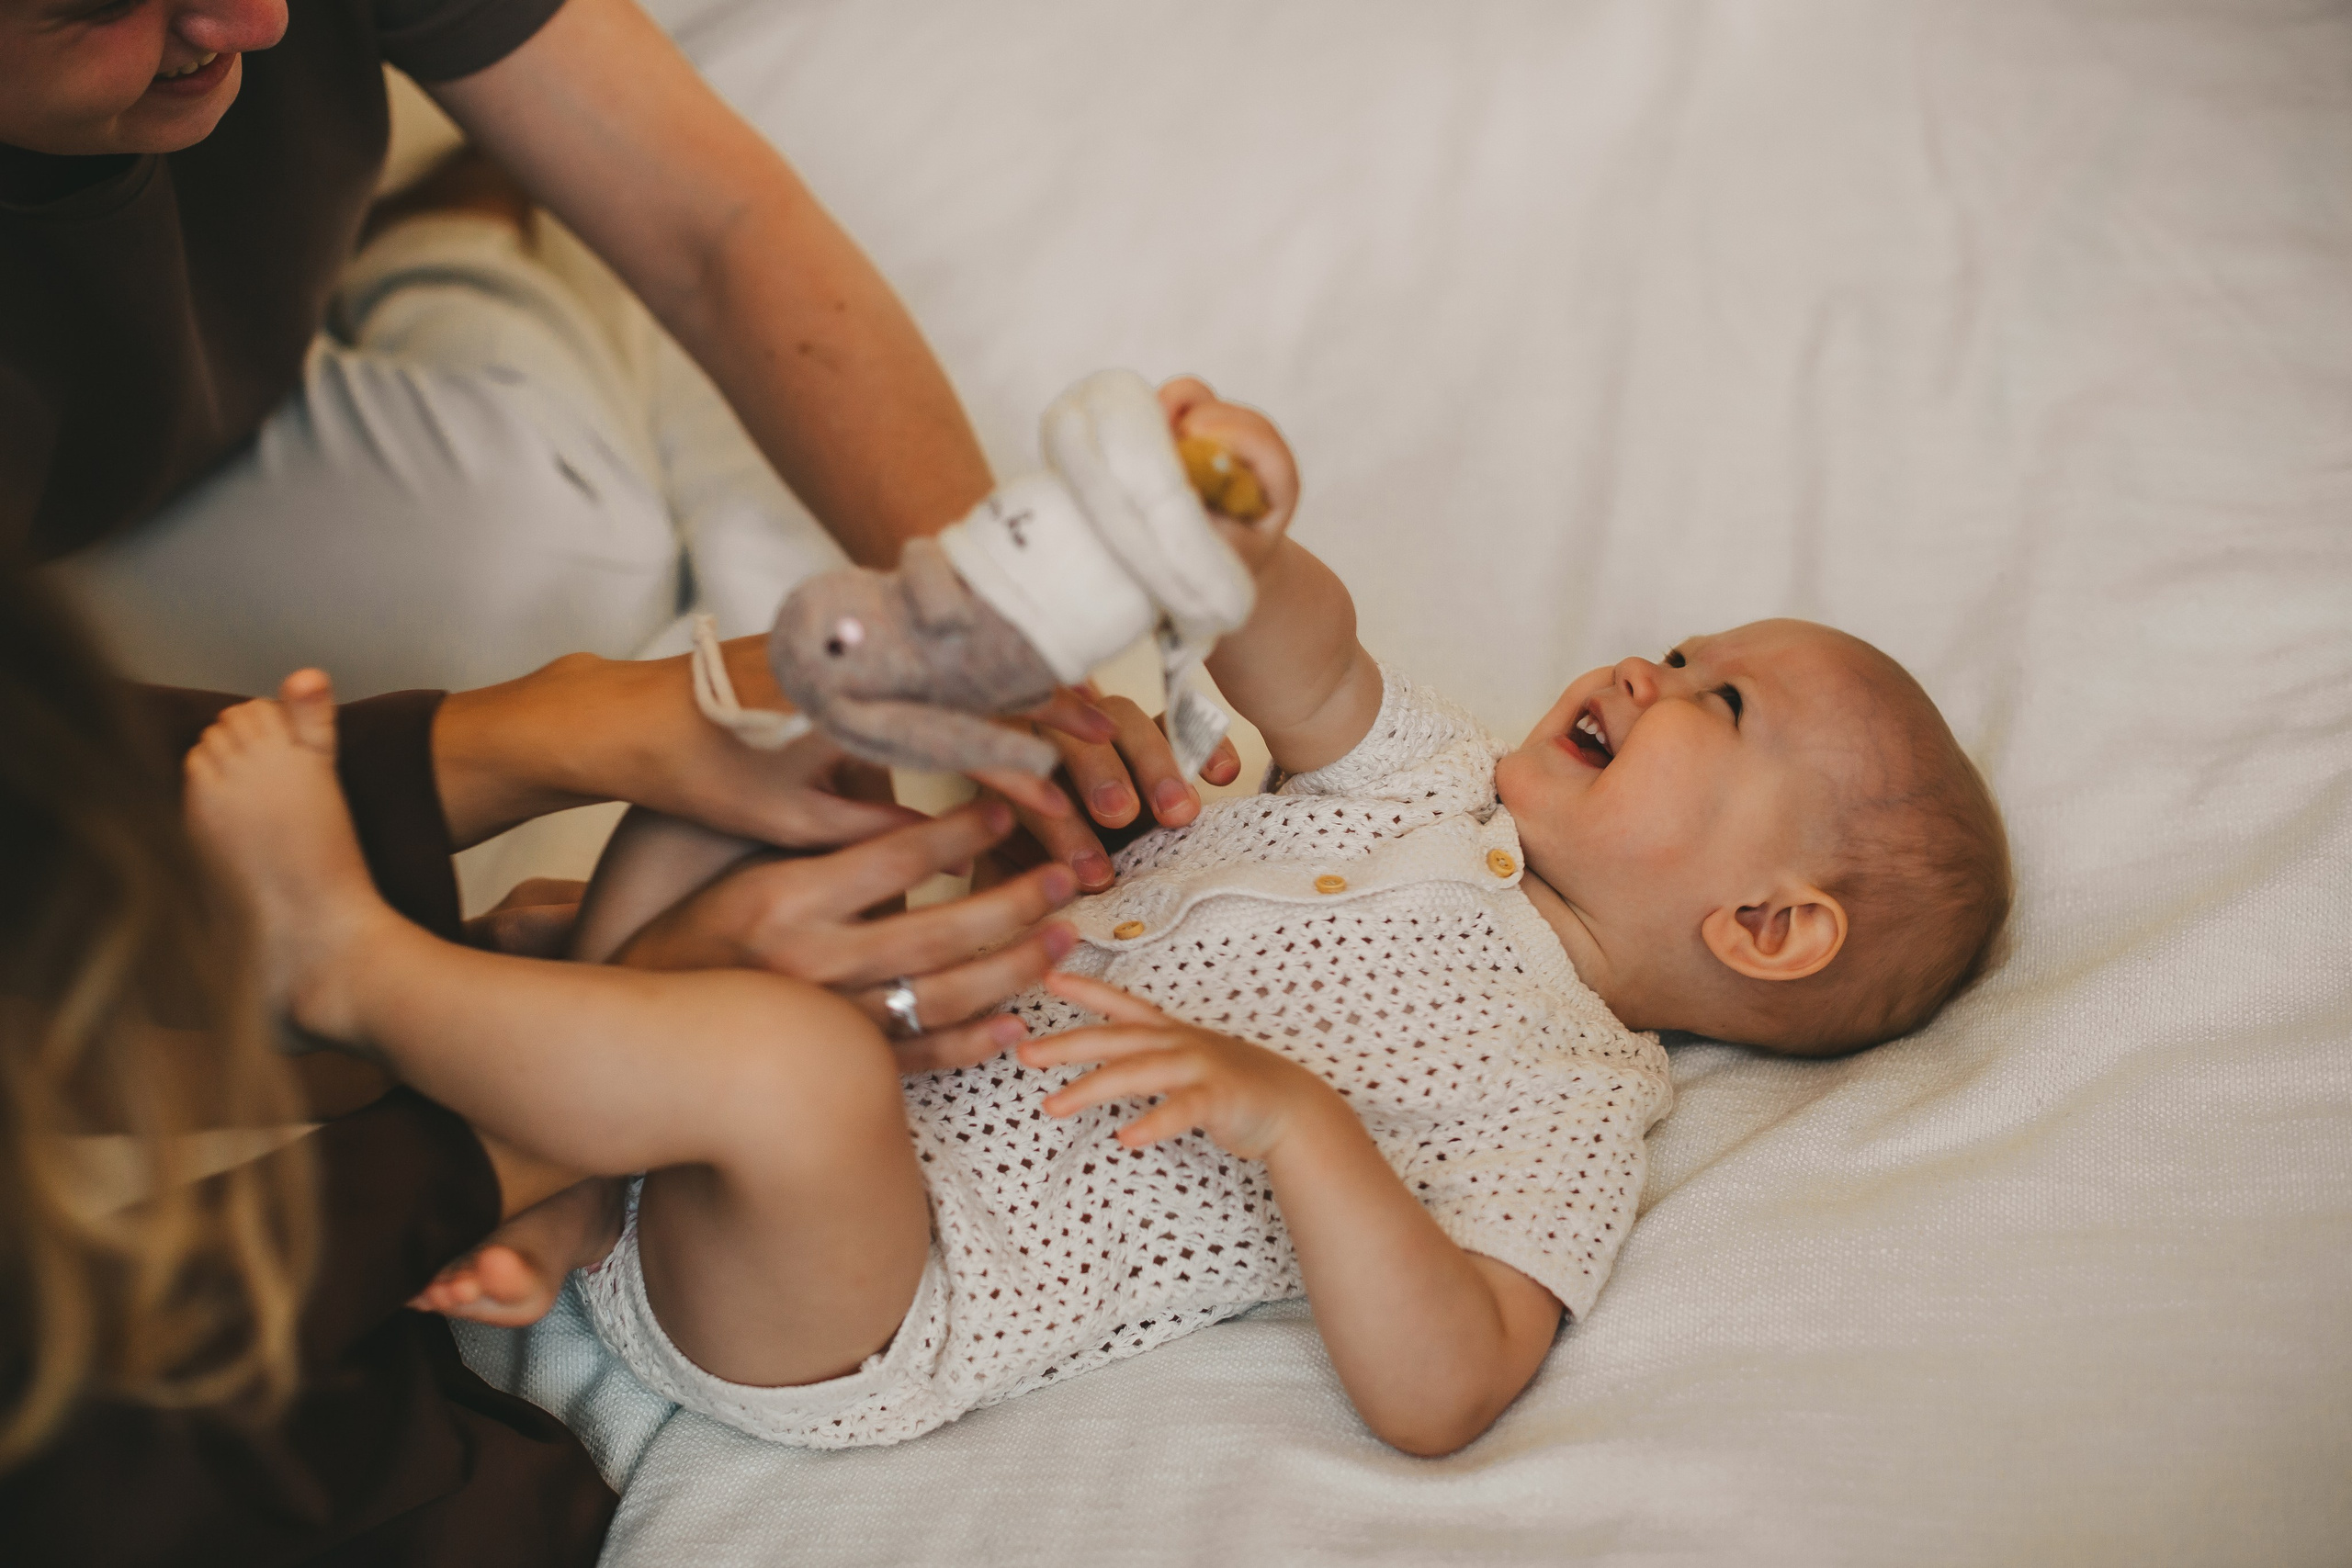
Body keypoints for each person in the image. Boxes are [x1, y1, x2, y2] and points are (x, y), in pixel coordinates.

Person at [175, 378, 2013, 1460]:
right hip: (836, 1037)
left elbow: (1446, 1375)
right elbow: (1311, 661)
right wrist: (1228, 534)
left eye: (1720, 704)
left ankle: (358, 955)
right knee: (801, 758)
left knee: (791, 1064)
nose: (1649, 662)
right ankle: (572, 1151)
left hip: (859, 1280)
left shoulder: (1570, 1095)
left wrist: (1302, 1126)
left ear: (1768, 927)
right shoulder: (1429, 778)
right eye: (1683, 644)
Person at [0, 558, 1084, 1562]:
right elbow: (105, 1433)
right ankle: (343, 965)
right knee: (789, 1059)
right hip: (878, 1303)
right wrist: (591, 1043)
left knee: (788, 800)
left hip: (787, 1206)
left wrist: (535, 1014)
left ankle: (570, 1168)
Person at [0, 0, 1218, 874]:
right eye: (101, 4)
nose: (259, 23)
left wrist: (992, 624)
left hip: (195, 420)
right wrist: (571, 729)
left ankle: (449, 239)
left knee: (567, 552)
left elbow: (716, 225)